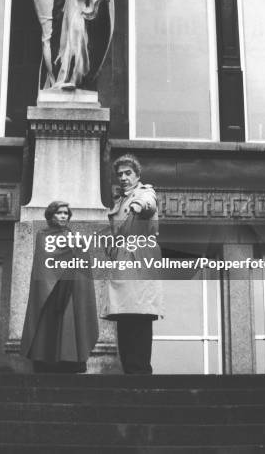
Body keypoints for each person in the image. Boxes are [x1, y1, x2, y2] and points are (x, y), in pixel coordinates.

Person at [101, 154, 164, 374]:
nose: (124, 178)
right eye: (120, 174)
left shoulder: (144, 192)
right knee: (125, 317)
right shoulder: (119, 201)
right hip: (122, 263)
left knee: (140, 316)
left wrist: (138, 206)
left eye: (128, 173)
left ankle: (140, 371)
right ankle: (130, 369)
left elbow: (149, 203)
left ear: (137, 175)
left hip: (139, 261)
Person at [20, 200, 98, 372]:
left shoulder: (75, 237)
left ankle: (70, 362)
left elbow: (83, 263)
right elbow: (45, 261)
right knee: (47, 325)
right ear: (51, 215)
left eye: (66, 213)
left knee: (69, 325)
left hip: (69, 287)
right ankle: (45, 362)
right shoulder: (43, 236)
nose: (63, 216)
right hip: (50, 289)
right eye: (59, 213)